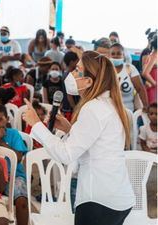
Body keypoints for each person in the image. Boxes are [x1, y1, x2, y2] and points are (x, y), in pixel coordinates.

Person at [23, 50, 135, 225]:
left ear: (89, 81)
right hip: (117, 195)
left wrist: (36, 124)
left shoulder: (93, 108)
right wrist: (70, 128)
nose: (71, 73)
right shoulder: (109, 104)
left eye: (77, 70)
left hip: (99, 200)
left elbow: (66, 154)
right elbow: (97, 141)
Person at [0, 105, 29, 225]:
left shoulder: (13, 134)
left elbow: (19, 157)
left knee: (21, 200)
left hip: (14, 175)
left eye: (0, 119)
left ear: (7, 119)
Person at [109, 43, 148, 112]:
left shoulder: (130, 68)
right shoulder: (105, 70)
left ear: (123, 56)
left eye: (119, 53)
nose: (115, 56)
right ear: (109, 55)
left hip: (128, 111)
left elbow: (140, 89)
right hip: (109, 111)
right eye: (113, 53)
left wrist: (146, 106)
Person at [142, 34, 157, 104]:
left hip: (151, 88)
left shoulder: (150, 55)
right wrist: (155, 84)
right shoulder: (155, 55)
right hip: (153, 89)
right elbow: (145, 73)